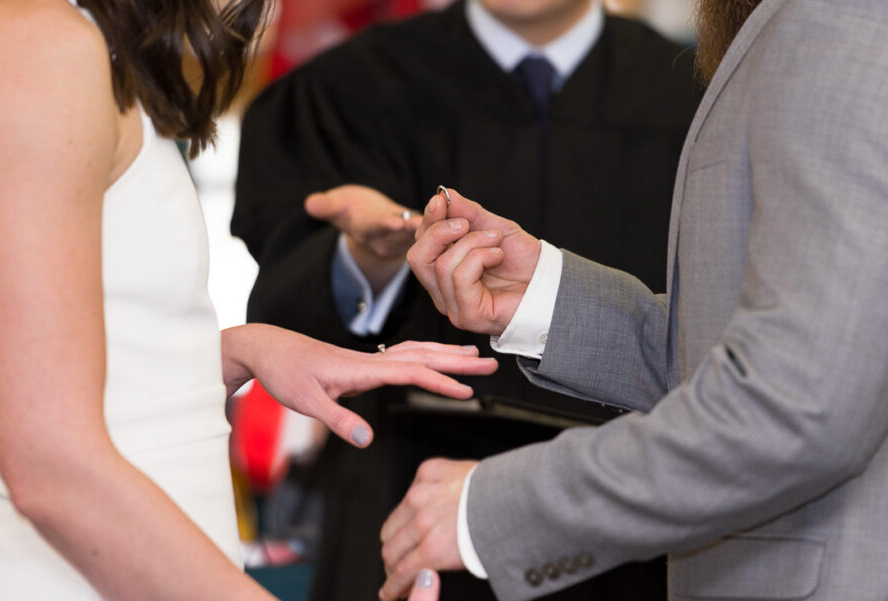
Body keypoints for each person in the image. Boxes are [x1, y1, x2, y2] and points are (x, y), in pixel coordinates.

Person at [0, 1, 499, 599]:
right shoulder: (46, 44)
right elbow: (52, 468)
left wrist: (234, 352)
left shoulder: (88, 51)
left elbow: (42, 358)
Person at [379, 0, 888, 599]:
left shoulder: (841, 18)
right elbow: (791, 352)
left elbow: (798, 401)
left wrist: (494, 508)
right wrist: (542, 297)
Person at [232, 0, 698, 598]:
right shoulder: (348, 89)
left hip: (639, 532)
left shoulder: (700, 90)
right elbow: (283, 321)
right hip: (406, 521)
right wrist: (363, 262)